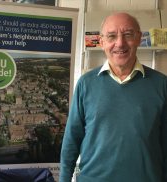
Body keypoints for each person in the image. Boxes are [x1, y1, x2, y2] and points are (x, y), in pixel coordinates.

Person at [59, 12, 167, 182]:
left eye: (128, 35)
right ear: (101, 42)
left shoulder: (161, 85)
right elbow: (72, 140)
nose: (120, 43)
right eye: (111, 36)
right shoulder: (86, 84)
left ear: (139, 38)